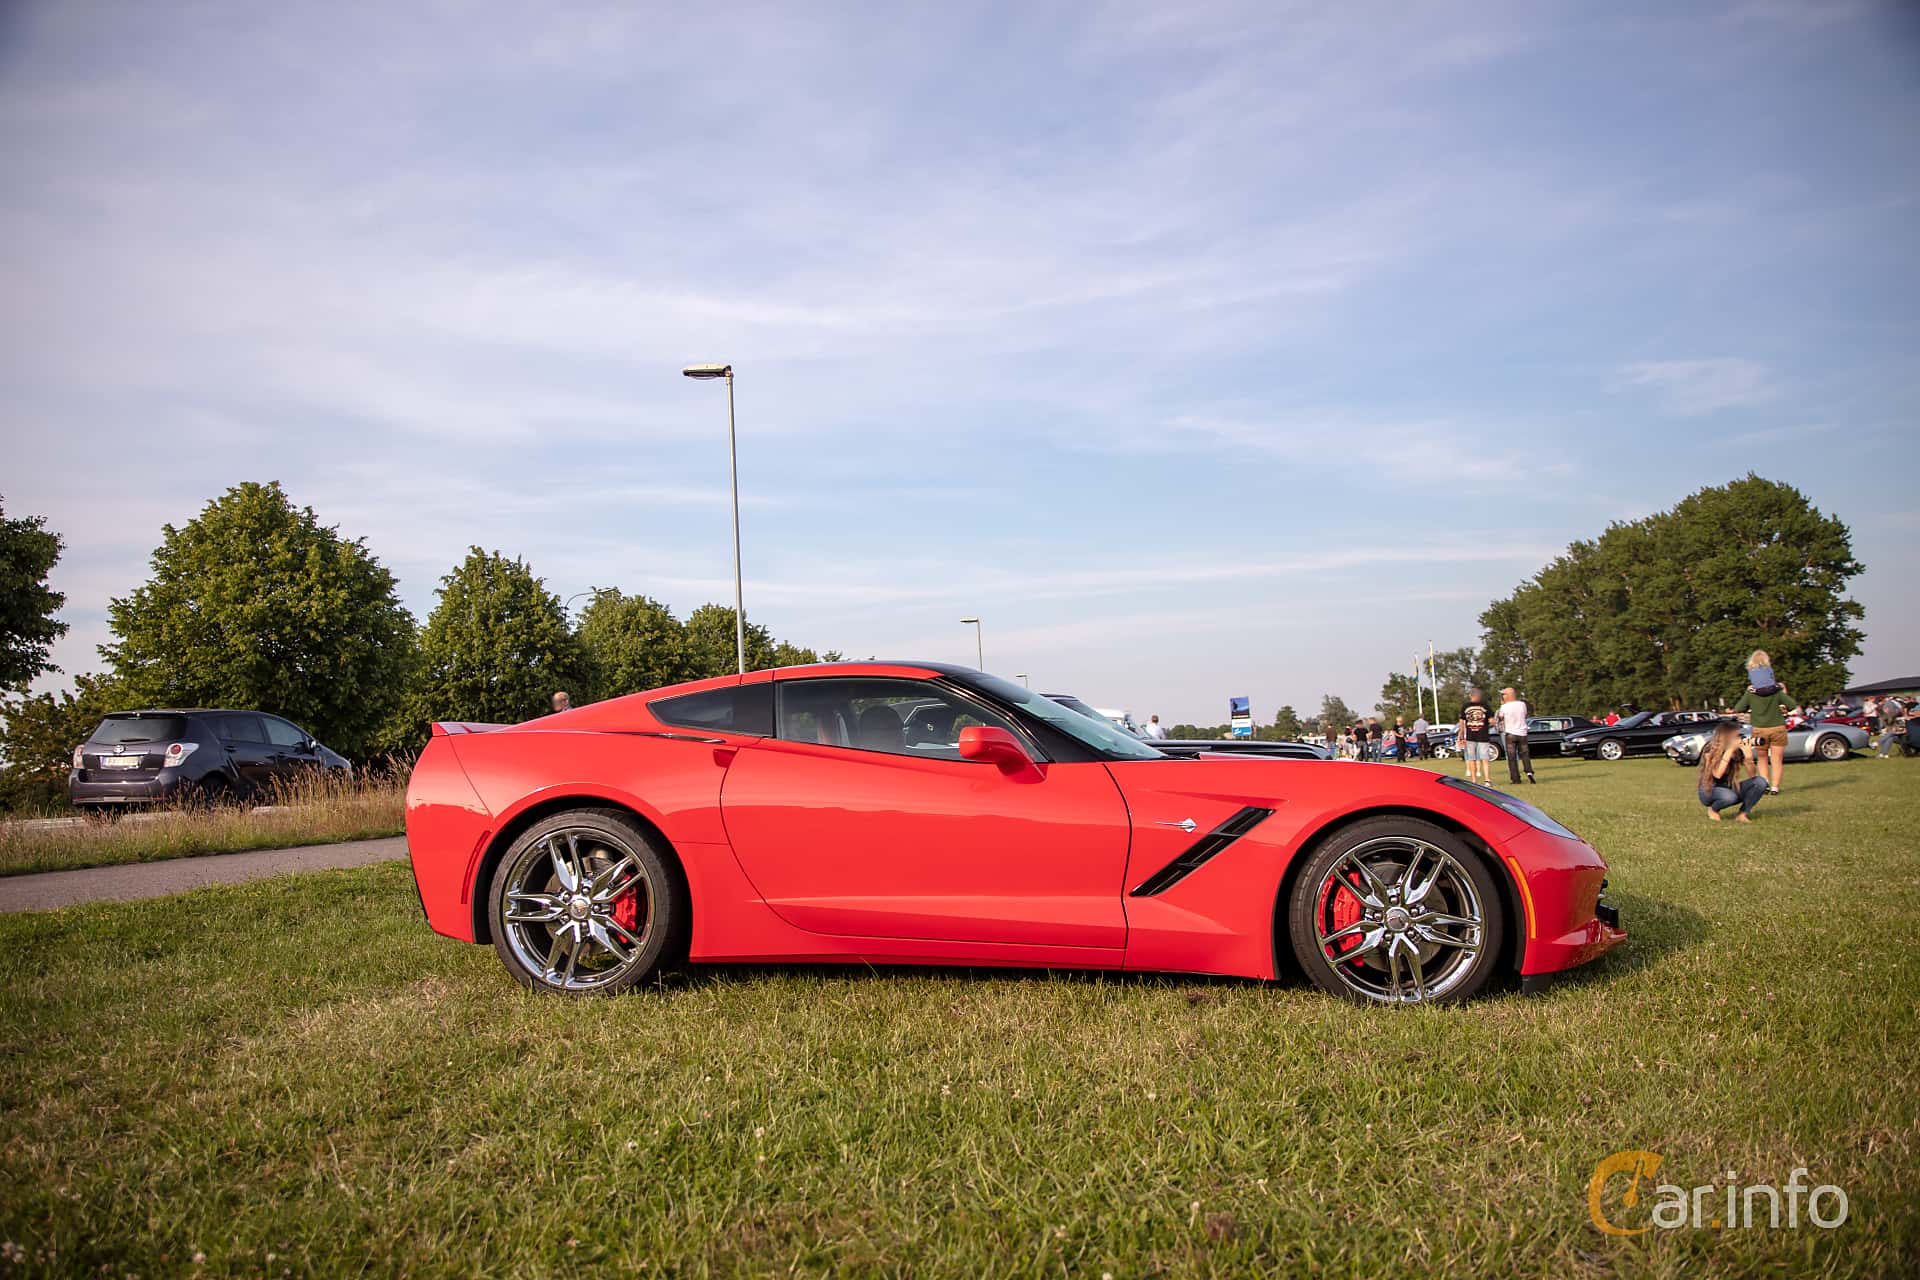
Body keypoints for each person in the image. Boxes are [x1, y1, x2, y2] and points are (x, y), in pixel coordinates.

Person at [1729, 651, 1794, 795]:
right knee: (1777, 759)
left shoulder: (1751, 692)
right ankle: (1775, 787)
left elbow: (1739, 708)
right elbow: (1792, 704)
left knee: (1762, 757)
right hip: (1778, 727)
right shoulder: (1776, 692)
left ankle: (1764, 783)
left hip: (1759, 729)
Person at [1697, 722, 1766, 822]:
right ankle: (1713, 809)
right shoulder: (1710, 749)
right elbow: (1717, 774)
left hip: (1728, 787)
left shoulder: (1737, 752)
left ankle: (1743, 814)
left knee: (1760, 782)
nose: (1739, 738)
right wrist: (1729, 751)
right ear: (1726, 737)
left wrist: (1748, 758)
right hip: (1709, 789)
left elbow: (1752, 775)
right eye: (1736, 736)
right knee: (1729, 797)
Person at [1497, 686, 1536, 784]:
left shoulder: (1504, 707)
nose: (1503, 697)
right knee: (1525, 754)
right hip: (1522, 732)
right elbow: (1524, 715)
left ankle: (1515, 778)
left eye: (1504, 695)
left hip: (1510, 733)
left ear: (1509, 696)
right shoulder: (1522, 704)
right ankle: (1529, 772)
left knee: (1512, 757)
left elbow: (1501, 718)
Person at [1457, 688, 1495, 783]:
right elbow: (1492, 721)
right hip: (1483, 735)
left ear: (1471, 695)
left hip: (1471, 735)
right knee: (1484, 758)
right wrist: (1487, 724)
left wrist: (1461, 733)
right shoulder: (1485, 706)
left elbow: (1462, 721)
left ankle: (1474, 780)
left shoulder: (1466, 706)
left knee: (1471, 758)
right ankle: (1487, 779)